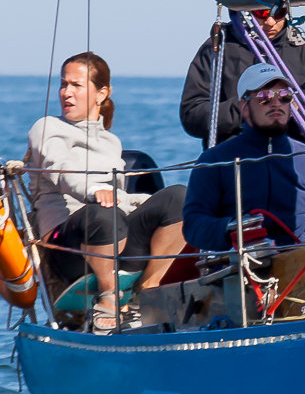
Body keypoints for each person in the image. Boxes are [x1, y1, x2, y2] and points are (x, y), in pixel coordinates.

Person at [20, 52, 188, 331]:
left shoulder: (111, 142)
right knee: (101, 213)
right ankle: (108, 298)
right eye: (64, 84)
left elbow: (118, 197)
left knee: (179, 198)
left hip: (114, 236)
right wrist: (93, 190)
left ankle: (148, 290)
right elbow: (59, 168)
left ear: (101, 94)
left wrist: (143, 202)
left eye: (76, 85)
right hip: (67, 248)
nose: (66, 93)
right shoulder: (46, 128)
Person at [182, 63, 305, 255]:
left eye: (284, 96)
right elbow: (193, 225)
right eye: (264, 97)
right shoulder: (214, 160)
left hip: (299, 260)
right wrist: (231, 228)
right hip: (239, 263)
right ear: (244, 107)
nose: (276, 103)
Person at [179, 1, 305, 144]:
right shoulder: (218, 49)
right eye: (262, 13)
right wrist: (247, 108)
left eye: (279, 13)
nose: (271, 22)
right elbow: (192, 116)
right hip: (234, 157)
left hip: (292, 157)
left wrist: (295, 112)